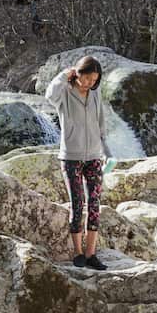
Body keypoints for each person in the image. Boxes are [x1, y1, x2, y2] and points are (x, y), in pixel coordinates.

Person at [45, 55, 111, 270]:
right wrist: (64, 75)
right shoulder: (64, 91)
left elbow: (100, 119)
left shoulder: (95, 92)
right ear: (78, 74)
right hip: (70, 157)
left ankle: (91, 254)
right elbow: (49, 95)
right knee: (77, 204)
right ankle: (78, 253)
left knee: (94, 204)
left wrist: (105, 149)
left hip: (94, 156)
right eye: (88, 78)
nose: (91, 83)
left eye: (95, 80)